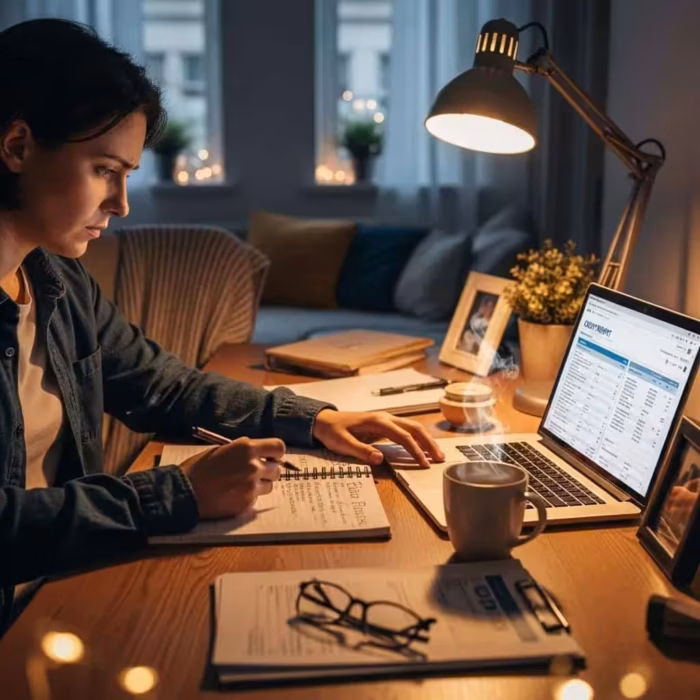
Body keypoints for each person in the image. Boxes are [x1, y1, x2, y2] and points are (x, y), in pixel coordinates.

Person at [0, 18, 444, 632]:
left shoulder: (53, 280)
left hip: (67, 582)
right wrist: (174, 495)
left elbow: (163, 387)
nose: (121, 204)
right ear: (18, 146)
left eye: (127, 175)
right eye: (105, 169)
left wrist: (313, 419)